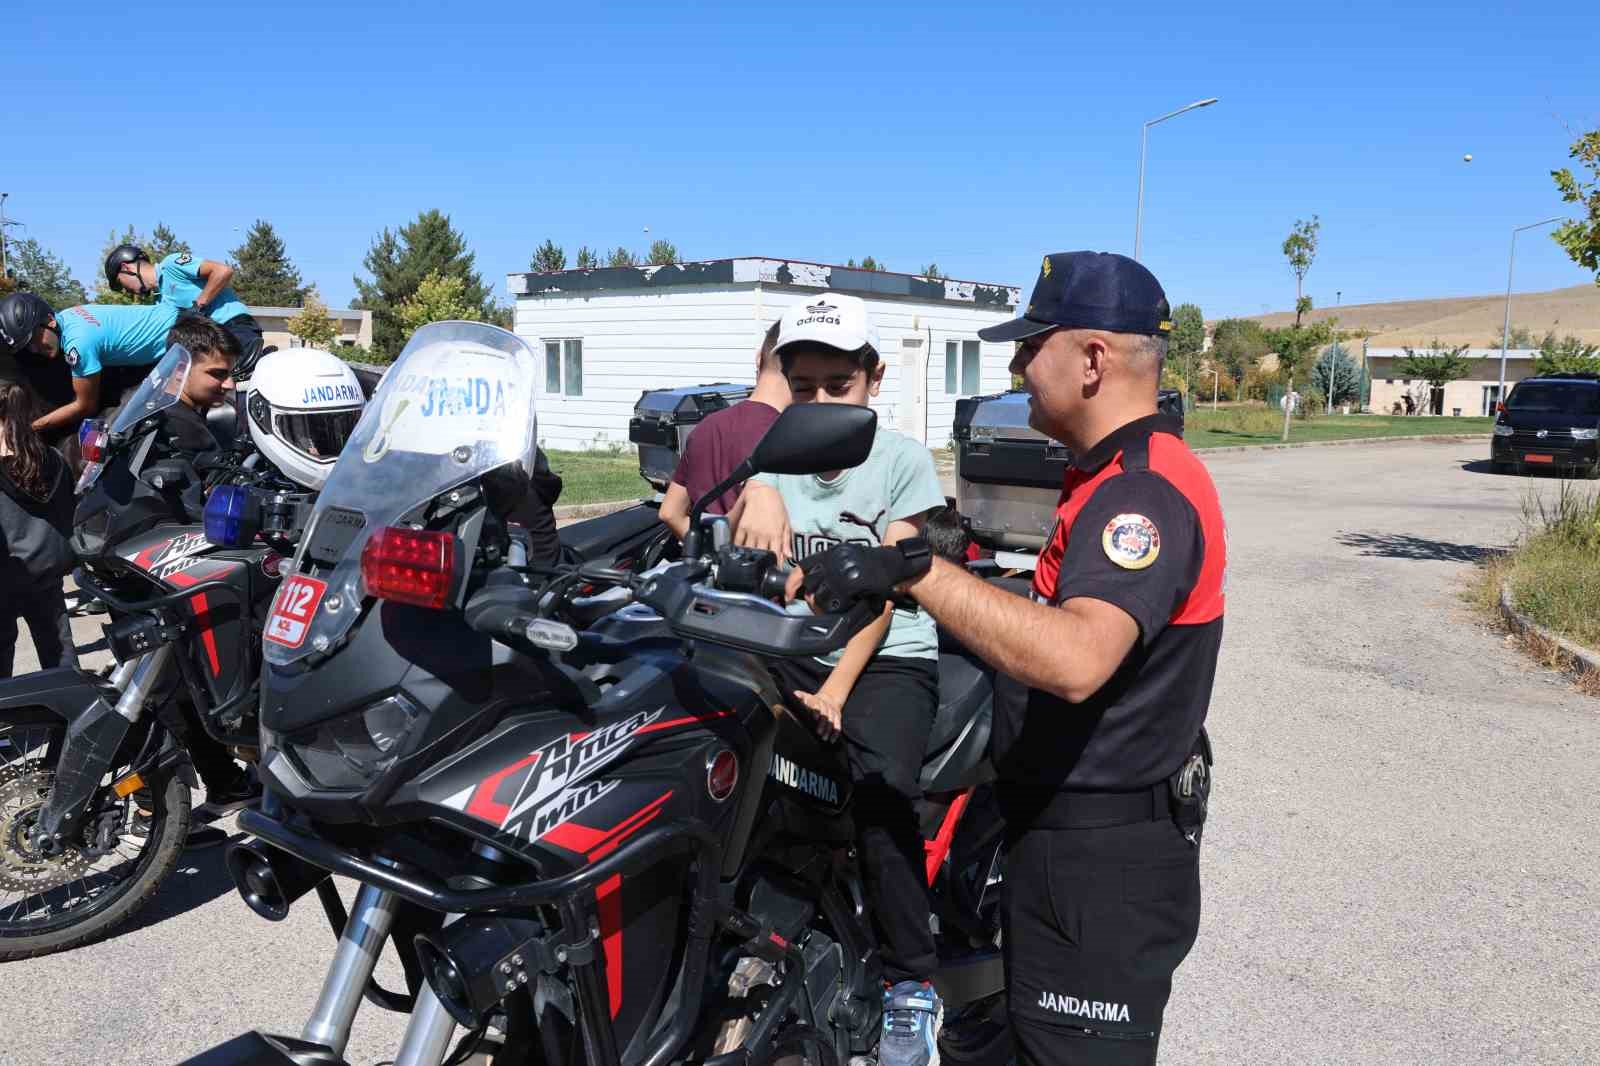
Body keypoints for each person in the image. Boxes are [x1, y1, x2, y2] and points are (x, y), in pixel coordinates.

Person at [792, 253, 1226, 1065]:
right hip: (1066, 841)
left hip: (1098, 864)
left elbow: (1078, 658)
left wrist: (917, 571)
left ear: (1093, 359)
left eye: (1034, 346)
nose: (1019, 366)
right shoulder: (1108, 478)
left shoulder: (1141, 496)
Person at [738, 293, 948, 1066]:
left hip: (886, 655)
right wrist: (757, 489)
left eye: (839, 387)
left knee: (881, 786)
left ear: (874, 380)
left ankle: (911, 987)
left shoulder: (900, 461)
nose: (821, 403)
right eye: (804, 387)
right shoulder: (775, 458)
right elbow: (754, 564)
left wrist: (833, 692)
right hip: (801, 643)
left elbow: (889, 595)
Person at [659, 320, 788, 539]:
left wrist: (712, 554)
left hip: (712, 567)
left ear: (759, 359)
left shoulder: (706, 426)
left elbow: (670, 513)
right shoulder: (792, 436)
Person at [0, 292, 180, 437]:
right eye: (27, 346)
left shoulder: (78, 345)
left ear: (49, 321)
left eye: (34, 339)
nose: (35, 349)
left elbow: (85, 406)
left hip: (182, 339)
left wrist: (31, 428)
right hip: (175, 319)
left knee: (126, 423)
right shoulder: (69, 315)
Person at [0, 380, 79, 679]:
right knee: (59, 650)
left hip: (6, 574)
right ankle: (74, 717)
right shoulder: (55, 460)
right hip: (47, 569)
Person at [105, 244, 266, 372]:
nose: (125, 290)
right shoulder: (159, 303)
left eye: (121, 284)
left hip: (234, 327)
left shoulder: (170, 265)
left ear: (127, 268)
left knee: (239, 376)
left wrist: (197, 307)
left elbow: (223, 271)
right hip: (211, 341)